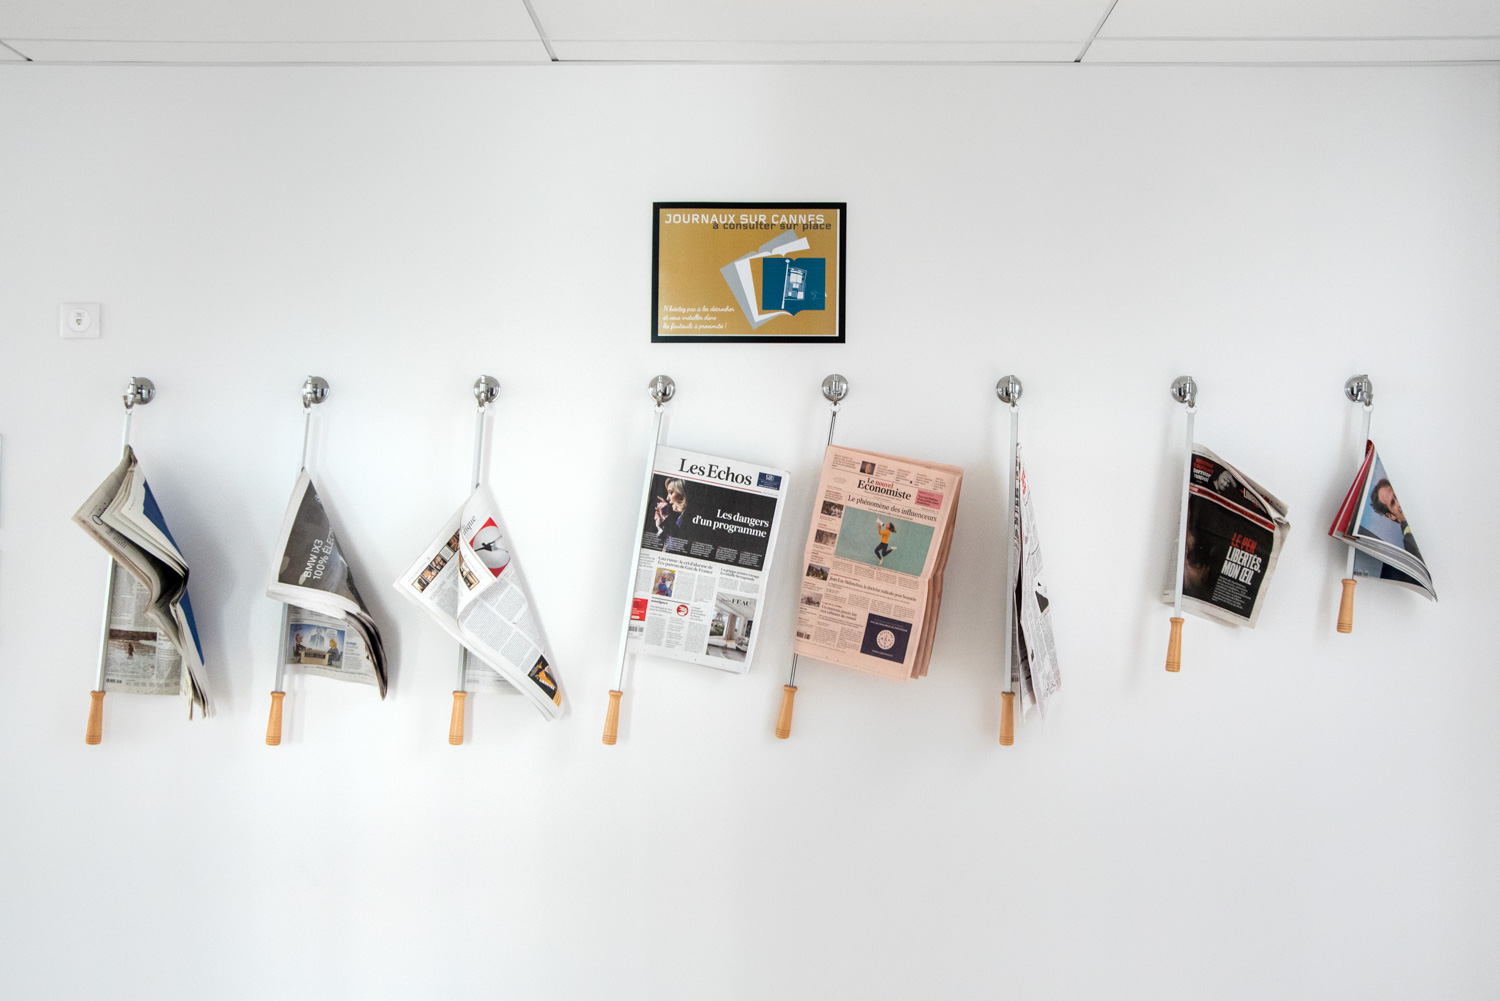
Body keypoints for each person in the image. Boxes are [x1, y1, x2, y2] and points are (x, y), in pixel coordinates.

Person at [1370, 478, 1422, 558]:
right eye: (1393, 502)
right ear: (1391, 516)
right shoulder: (1410, 541)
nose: (1399, 502)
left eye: (1396, 495)